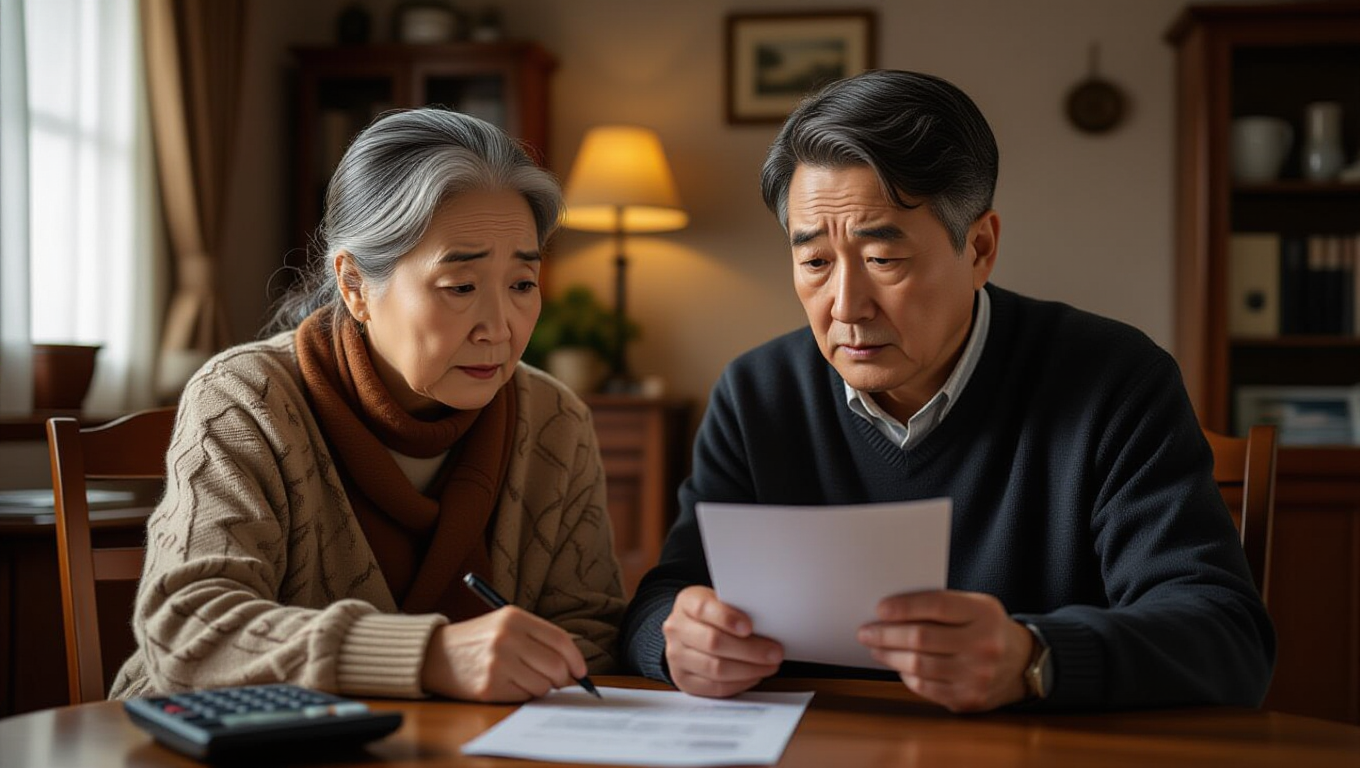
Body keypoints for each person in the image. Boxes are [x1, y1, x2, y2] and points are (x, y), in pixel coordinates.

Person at [621, 70, 1274, 712]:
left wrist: (1034, 657)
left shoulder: (1114, 381)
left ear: (980, 247)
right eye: (815, 261)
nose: (846, 305)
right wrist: (674, 641)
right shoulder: (757, 394)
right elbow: (665, 598)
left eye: (884, 260)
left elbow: (1225, 635)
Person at [110, 109, 625, 703]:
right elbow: (187, 629)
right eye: (461, 287)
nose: (499, 328)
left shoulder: (555, 420)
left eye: (522, 285)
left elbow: (589, 633)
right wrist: (428, 657)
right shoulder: (246, 399)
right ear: (355, 286)